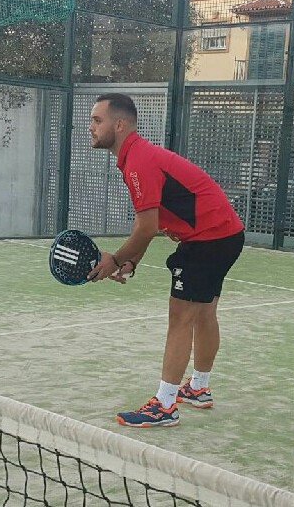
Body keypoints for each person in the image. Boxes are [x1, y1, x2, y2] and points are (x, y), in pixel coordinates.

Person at [87, 93, 244, 428]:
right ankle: (198, 389)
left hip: (209, 239)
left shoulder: (138, 161)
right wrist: (132, 261)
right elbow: (153, 222)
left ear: (119, 124)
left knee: (181, 318)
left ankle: (165, 405)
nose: (91, 127)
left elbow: (146, 227)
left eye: (97, 120)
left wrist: (115, 259)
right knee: (203, 313)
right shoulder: (138, 156)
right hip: (224, 234)